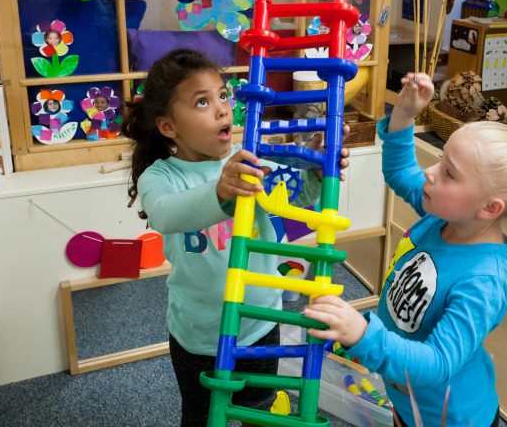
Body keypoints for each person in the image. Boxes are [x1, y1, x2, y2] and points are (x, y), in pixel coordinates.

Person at [303, 72, 507, 427]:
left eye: (449, 174)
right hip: (408, 402)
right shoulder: (441, 216)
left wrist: (363, 335)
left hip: (451, 418)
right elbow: (400, 170)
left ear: (490, 208)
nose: (431, 173)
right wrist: (405, 114)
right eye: (440, 161)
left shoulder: (485, 281)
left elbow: (438, 363)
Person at [121, 49, 350, 426]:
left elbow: (300, 196)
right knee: (201, 415)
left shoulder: (250, 162)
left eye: (223, 95)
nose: (222, 109)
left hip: (259, 322)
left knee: (259, 408)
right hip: (199, 335)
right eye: (202, 102)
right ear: (168, 127)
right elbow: (166, 213)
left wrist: (317, 169)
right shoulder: (161, 177)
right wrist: (220, 191)